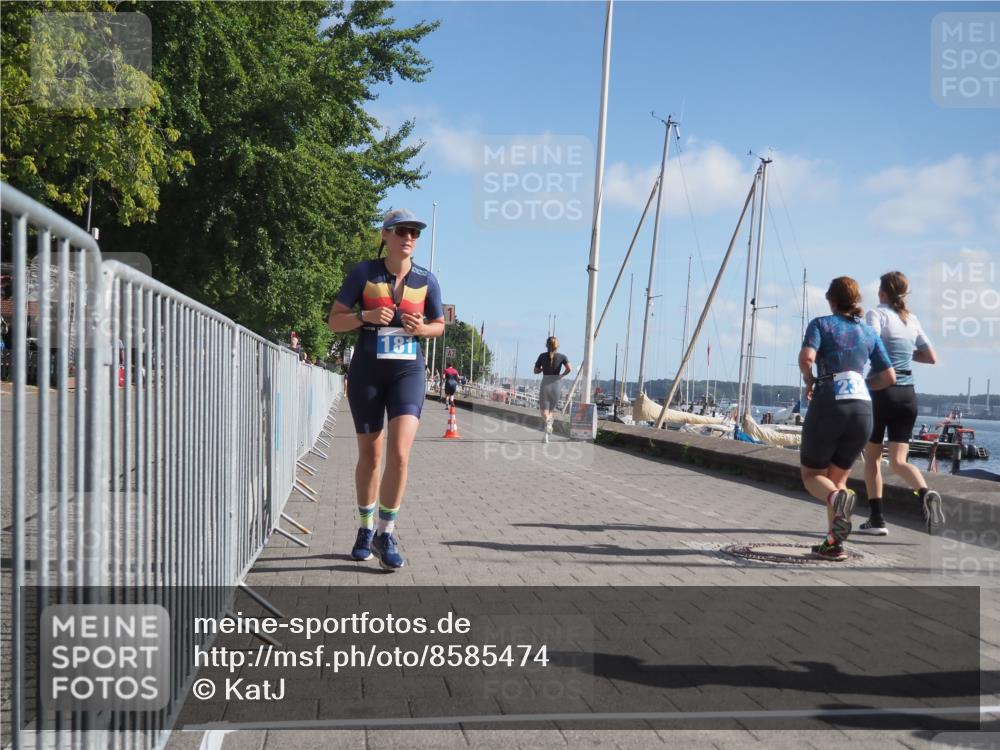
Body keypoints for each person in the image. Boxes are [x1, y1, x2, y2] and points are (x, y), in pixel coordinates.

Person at [327, 208, 444, 570]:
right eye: (402, 230)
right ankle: (365, 529)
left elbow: (439, 325)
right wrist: (364, 316)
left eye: (415, 232)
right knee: (371, 457)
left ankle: (385, 532)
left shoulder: (427, 280)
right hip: (368, 370)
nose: (409, 237)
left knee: (400, 453)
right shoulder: (363, 273)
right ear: (386, 235)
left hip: (407, 371)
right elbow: (334, 321)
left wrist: (421, 329)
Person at [798, 277, 896, 561]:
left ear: (831, 299)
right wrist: (862, 384)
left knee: (813, 476)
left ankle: (836, 499)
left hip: (830, 402)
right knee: (837, 480)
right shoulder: (868, 332)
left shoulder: (822, 324)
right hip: (863, 409)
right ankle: (834, 544)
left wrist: (810, 380)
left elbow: (806, 358)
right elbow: (889, 377)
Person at [859, 271, 942, 536]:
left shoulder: (876, 314)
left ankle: (877, 519)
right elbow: (930, 357)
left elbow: (870, 344)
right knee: (898, 461)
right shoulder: (911, 319)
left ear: (882, 292)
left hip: (882, 392)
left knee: (872, 458)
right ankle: (925, 493)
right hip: (908, 395)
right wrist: (905, 354)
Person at [533, 336, 571, 443]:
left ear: (546, 345)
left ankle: (548, 424)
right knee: (550, 411)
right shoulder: (563, 357)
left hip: (546, 384)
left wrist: (541, 369)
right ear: (557, 346)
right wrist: (562, 375)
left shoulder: (542, 356)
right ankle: (546, 436)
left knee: (544, 412)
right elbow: (569, 368)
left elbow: (535, 371)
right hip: (556, 384)